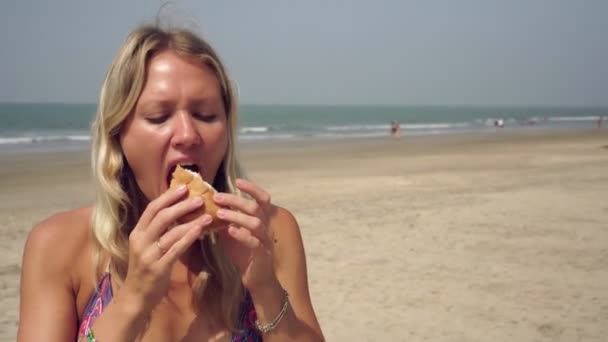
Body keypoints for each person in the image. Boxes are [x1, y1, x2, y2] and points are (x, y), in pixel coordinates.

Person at [17, 25, 324, 341]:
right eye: (158, 117)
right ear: (118, 133)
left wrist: (266, 289)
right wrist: (133, 298)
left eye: (206, 115)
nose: (188, 135)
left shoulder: (268, 233)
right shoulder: (59, 247)